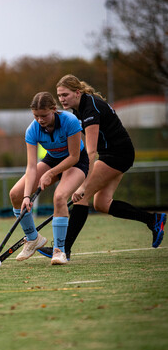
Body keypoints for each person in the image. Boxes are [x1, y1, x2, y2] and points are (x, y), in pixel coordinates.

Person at [55, 74, 166, 258]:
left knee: (82, 197)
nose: (61, 99)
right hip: (115, 154)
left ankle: (63, 250)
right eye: (59, 96)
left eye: (65, 95)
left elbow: (91, 152)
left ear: (77, 92)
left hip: (117, 155)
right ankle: (153, 219)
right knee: (102, 204)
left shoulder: (90, 108)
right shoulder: (79, 110)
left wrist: (82, 185)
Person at [9, 91, 89, 265]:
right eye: (36, 116)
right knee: (15, 193)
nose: (40, 120)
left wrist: (51, 173)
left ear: (54, 109)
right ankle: (33, 239)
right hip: (52, 160)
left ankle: (60, 251)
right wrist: (26, 196)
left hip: (76, 162)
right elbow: (31, 167)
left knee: (59, 197)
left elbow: (74, 156)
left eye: (44, 115)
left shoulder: (70, 122)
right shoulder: (32, 129)